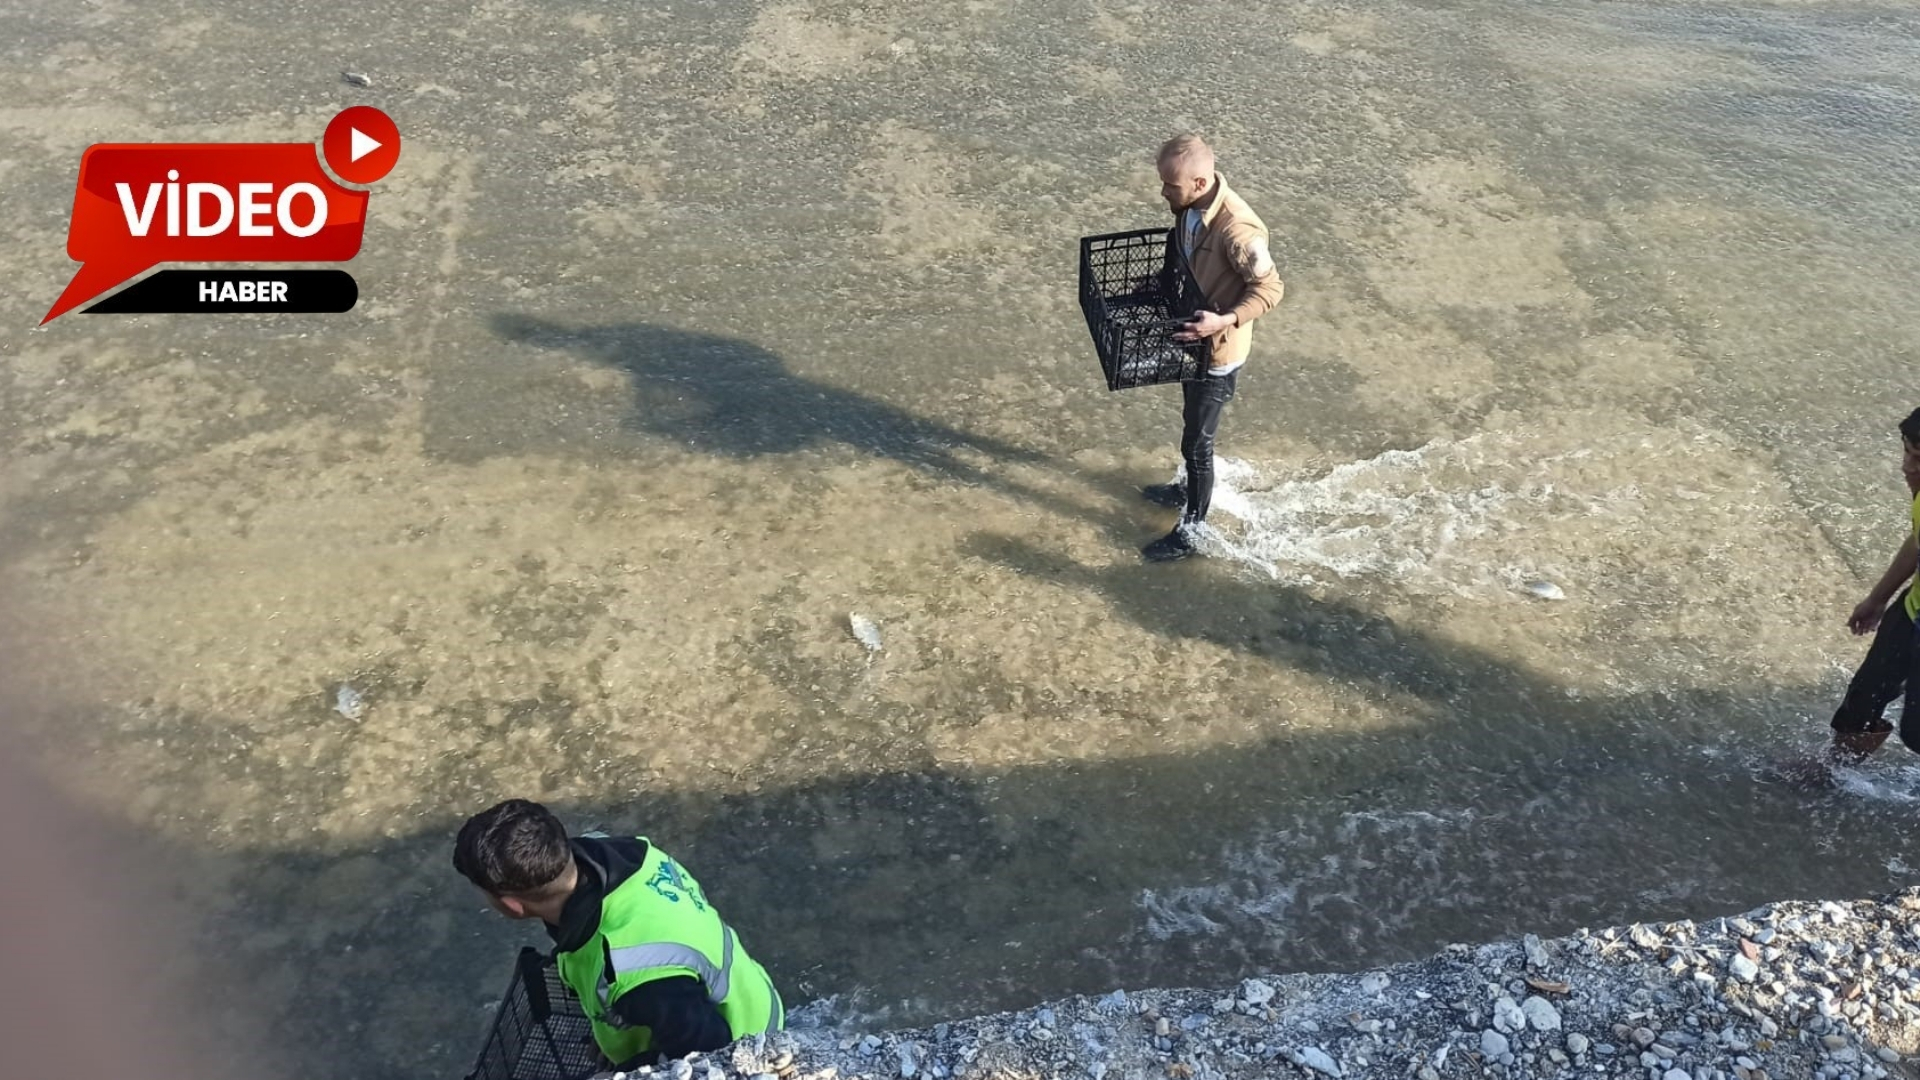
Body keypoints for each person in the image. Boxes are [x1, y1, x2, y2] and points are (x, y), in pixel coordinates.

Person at [453, 799, 783, 1071]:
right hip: (734, 987)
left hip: (746, 1038)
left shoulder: (637, 972)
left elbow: (712, 1057)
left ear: (512, 905)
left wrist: (636, 1067)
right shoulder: (617, 853)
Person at [1138, 133, 1286, 562]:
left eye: (1171, 186)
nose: (1164, 192)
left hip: (1218, 352)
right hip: (1196, 339)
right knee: (1191, 425)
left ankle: (1192, 532)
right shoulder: (1190, 208)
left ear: (1200, 183)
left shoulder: (1237, 231)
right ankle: (1185, 488)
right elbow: (1187, 254)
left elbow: (1272, 289)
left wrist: (1224, 320)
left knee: (1198, 445)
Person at [1821, 407, 1920, 767]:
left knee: (1916, 733)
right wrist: (1878, 599)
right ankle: (1836, 769)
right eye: (1908, 452)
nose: (1908, 468)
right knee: (1864, 695)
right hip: (1912, 611)